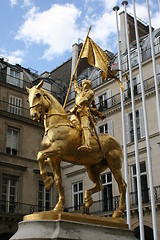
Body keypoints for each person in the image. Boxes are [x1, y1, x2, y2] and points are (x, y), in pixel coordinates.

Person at [70, 78, 106, 152]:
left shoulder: (90, 92)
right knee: (71, 125)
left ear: (89, 85)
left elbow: (85, 100)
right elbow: (76, 88)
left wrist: (74, 107)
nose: (83, 86)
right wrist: (74, 81)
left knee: (85, 127)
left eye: (85, 84)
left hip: (85, 112)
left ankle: (87, 144)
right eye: (83, 84)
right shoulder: (80, 93)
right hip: (77, 113)